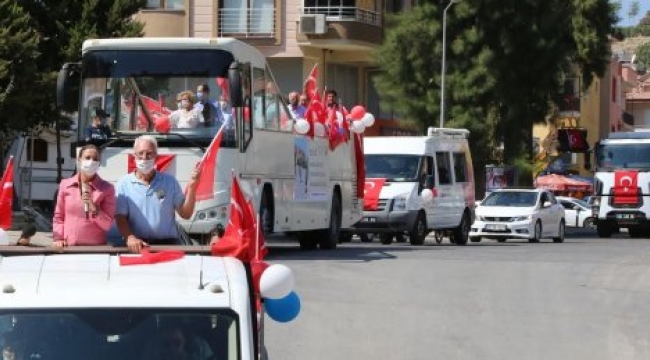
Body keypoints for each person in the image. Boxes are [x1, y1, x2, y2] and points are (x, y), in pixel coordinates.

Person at [115, 135, 200, 253]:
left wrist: (191, 187)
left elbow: (185, 214)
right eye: (140, 153)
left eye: (149, 153)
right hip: (138, 245)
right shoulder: (124, 183)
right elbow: (120, 217)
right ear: (134, 156)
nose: (144, 158)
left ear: (156, 156)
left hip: (168, 245)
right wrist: (130, 237)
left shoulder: (170, 181)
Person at [52, 144, 116, 247]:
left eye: (95, 159)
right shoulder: (65, 184)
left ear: (99, 163)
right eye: (87, 158)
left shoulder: (107, 188)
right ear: (79, 159)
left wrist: (93, 207)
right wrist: (58, 238)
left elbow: (107, 225)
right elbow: (59, 216)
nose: (91, 161)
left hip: (95, 249)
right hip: (68, 246)